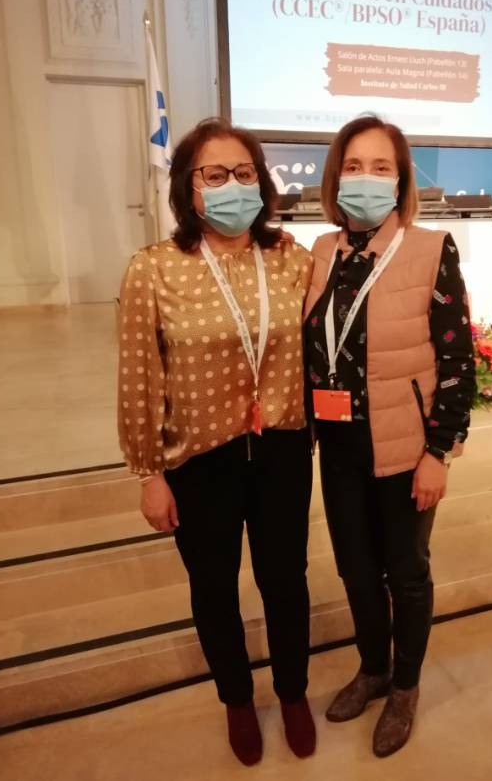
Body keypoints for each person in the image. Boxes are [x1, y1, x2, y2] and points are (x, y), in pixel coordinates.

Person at [118, 118, 315, 766]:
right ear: (189, 186)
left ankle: (292, 692)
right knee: (213, 587)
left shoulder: (292, 259)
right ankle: (237, 698)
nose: (233, 185)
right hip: (199, 460)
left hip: (282, 448)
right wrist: (148, 472)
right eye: (215, 174)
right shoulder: (154, 269)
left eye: (245, 172)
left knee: (285, 580)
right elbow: (140, 376)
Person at [304, 114, 475, 758]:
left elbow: (457, 360)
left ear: (401, 180)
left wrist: (438, 454)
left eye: (381, 167)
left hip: (406, 447)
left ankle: (405, 687)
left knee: (406, 572)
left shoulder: (431, 248)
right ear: (335, 177)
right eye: (353, 166)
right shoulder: (323, 251)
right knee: (355, 569)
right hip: (339, 444)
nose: (366, 178)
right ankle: (373, 667)